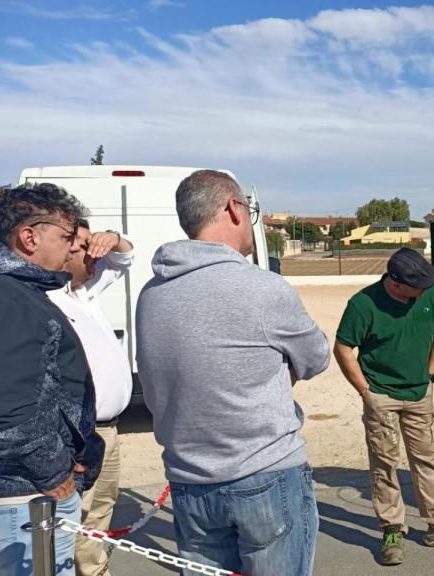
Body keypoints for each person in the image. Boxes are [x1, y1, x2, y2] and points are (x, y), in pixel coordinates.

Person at [136, 170, 329, 576]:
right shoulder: (262, 289)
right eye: (250, 208)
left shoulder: (151, 294)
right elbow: (315, 358)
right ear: (232, 208)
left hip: (189, 480)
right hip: (265, 474)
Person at [334, 248, 434, 566]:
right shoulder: (363, 305)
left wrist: (430, 373)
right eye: (418, 288)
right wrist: (366, 392)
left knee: (426, 461)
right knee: (385, 465)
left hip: (419, 395)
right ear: (396, 283)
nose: (424, 293)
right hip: (382, 397)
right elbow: (343, 347)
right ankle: (391, 529)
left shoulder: (430, 296)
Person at [0, 183, 101, 576]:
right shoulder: (5, 297)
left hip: (26, 494)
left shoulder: (17, 291)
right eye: (67, 236)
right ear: (29, 237)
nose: (74, 248)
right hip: (22, 500)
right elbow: (4, 408)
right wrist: (53, 472)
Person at [47, 221, 134, 576]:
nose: (93, 253)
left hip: (108, 430)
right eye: (84, 245)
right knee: (73, 518)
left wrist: (111, 237)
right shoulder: (47, 299)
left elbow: (125, 258)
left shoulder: (83, 290)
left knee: (100, 511)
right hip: (79, 434)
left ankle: (95, 570)